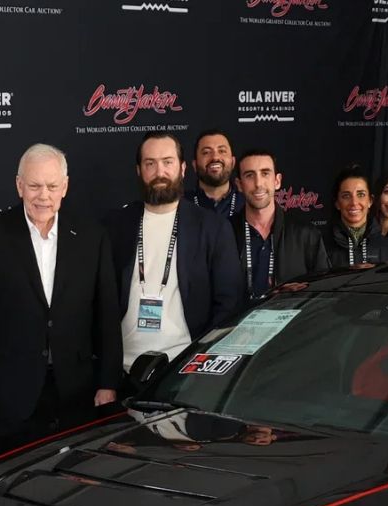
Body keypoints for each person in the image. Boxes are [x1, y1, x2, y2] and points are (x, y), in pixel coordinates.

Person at [0, 144, 120, 438]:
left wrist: (108, 384)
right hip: (9, 392)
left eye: (52, 186)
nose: (44, 196)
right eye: (34, 186)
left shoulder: (92, 237)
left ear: (65, 187)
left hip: (76, 392)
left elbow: (107, 317)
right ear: (19, 186)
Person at [105, 133, 246, 375]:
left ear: (182, 169)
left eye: (167, 162)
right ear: (139, 170)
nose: (159, 171)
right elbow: (100, 303)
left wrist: (201, 363)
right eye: (150, 163)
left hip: (184, 371)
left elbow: (228, 304)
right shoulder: (115, 226)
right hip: (122, 370)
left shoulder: (212, 228)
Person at [230, 148, 329, 299]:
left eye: (265, 173)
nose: (258, 183)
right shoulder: (225, 233)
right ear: (239, 184)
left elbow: (323, 292)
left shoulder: (306, 235)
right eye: (249, 175)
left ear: (277, 181)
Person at [323, 166, 388, 268]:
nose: (354, 202)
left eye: (361, 194)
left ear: (370, 201)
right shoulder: (322, 245)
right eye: (346, 196)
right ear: (337, 203)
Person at [190, 129, 243, 218]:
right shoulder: (179, 205)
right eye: (206, 152)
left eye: (222, 151)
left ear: (233, 162)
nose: (215, 157)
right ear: (195, 165)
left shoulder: (247, 204)